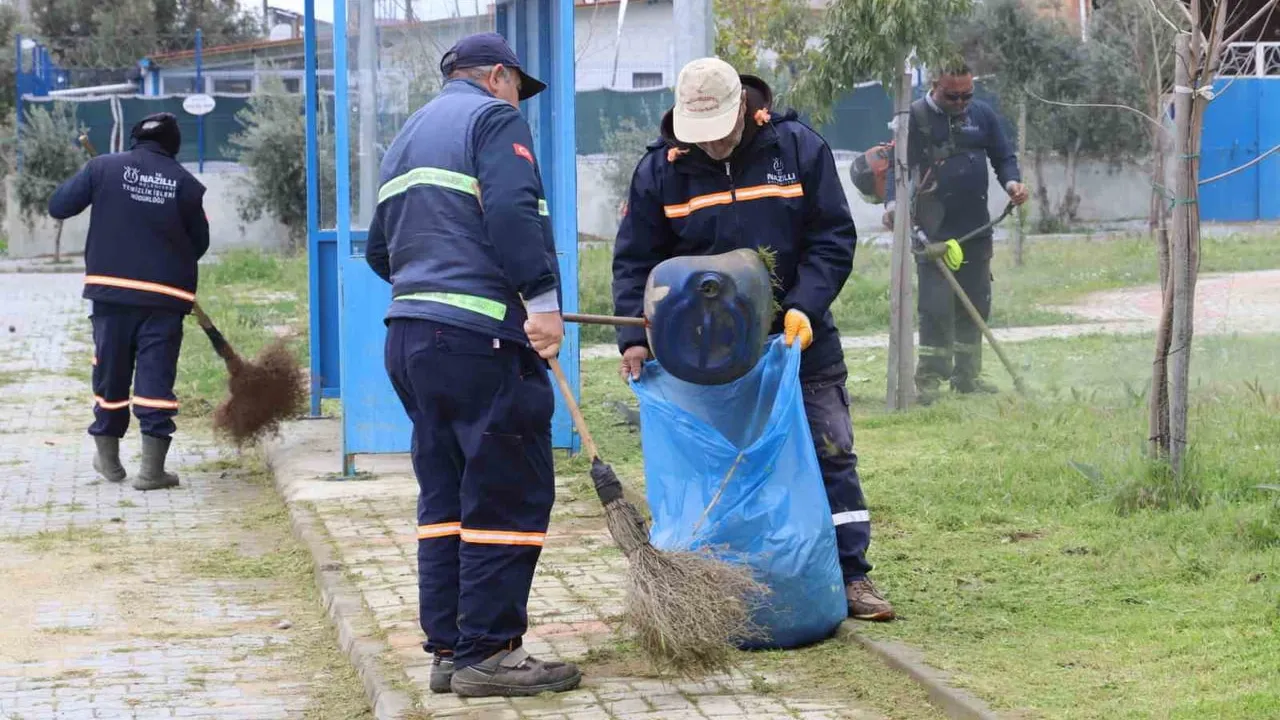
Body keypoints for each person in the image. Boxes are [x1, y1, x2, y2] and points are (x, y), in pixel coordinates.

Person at [612, 57, 896, 623]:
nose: (713, 147)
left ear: (743, 106)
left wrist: (805, 306)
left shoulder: (795, 149)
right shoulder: (661, 172)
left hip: (797, 338)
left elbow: (833, 238)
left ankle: (851, 575)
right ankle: (733, 575)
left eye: (721, 132)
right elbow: (635, 262)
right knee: (724, 465)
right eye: (702, 137)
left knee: (829, 450)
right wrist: (632, 338)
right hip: (706, 352)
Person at [364, 32, 581, 698]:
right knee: (506, 488)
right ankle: (489, 654)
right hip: (479, 342)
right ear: (497, 76)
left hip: (410, 339)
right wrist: (541, 304)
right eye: (519, 85)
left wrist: (432, 284)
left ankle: (452, 648)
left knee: (448, 495)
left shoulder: (408, 137)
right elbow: (515, 211)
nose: (521, 100)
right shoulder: (493, 120)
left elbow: (379, 250)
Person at [48, 112, 210, 492]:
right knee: (155, 375)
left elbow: (59, 205)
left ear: (134, 140)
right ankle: (152, 472)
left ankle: (108, 457)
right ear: (174, 146)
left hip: (112, 292)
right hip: (165, 298)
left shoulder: (102, 167)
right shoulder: (188, 185)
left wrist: (98, 183)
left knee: (111, 372)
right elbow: (199, 244)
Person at [883, 63, 1029, 404]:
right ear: (935, 85)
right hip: (932, 230)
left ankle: (968, 376)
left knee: (977, 302)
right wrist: (892, 206)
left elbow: (1003, 156)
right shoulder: (915, 119)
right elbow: (896, 167)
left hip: (975, 226)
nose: (962, 102)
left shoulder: (983, 115)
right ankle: (930, 378)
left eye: (967, 95)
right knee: (935, 307)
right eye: (953, 96)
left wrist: (1012, 184)